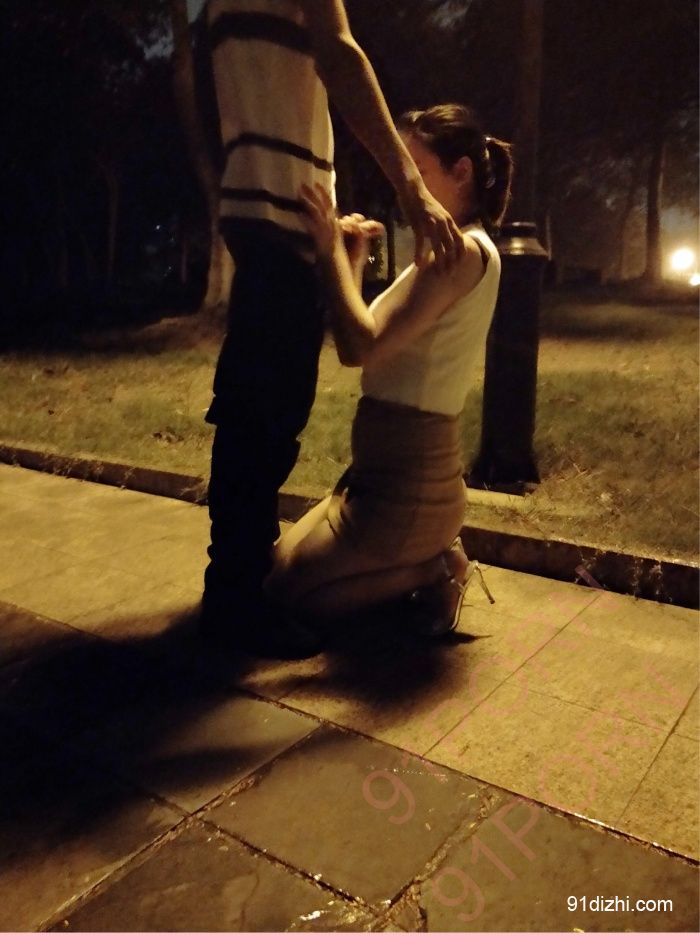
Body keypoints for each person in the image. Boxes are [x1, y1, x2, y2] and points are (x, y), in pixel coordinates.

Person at [200, 0, 467, 660]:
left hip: (256, 200)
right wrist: (409, 184)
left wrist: (231, 179)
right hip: (283, 207)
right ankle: (236, 600)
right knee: (267, 413)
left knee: (252, 405)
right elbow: (341, 54)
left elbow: (207, 84)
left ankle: (235, 584)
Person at [263, 104, 513, 635]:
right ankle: (424, 560)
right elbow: (362, 333)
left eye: (416, 170)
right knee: (275, 573)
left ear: (461, 171)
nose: (405, 185)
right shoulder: (445, 249)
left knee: (295, 602)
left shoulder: (460, 251)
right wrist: (352, 257)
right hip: (378, 475)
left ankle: (439, 568)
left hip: (413, 483)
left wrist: (328, 248)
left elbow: (359, 347)